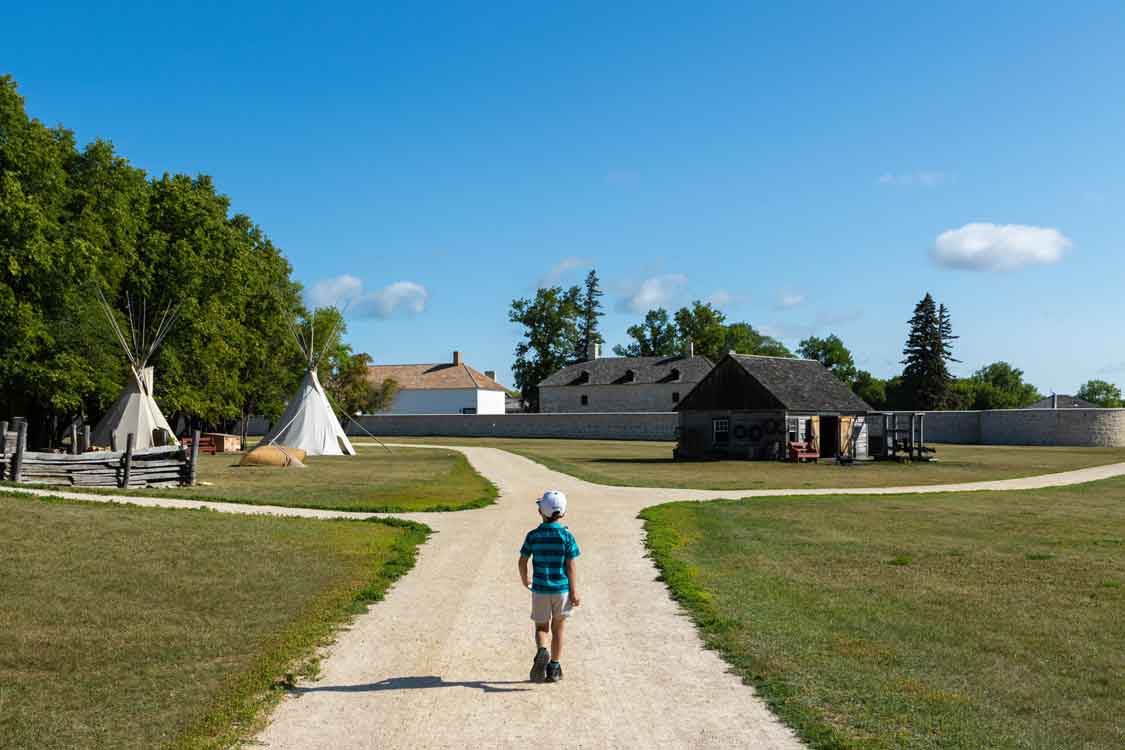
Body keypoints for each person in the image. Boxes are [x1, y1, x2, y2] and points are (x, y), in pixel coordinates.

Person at [518, 489, 581, 683]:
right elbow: (570, 566)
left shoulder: (533, 536)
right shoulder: (567, 537)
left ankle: (542, 650)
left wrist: (525, 579)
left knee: (541, 627)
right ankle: (554, 667)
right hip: (561, 590)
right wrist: (573, 591)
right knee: (559, 628)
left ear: (541, 512)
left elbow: (522, 561)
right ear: (563, 513)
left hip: (540, 589)